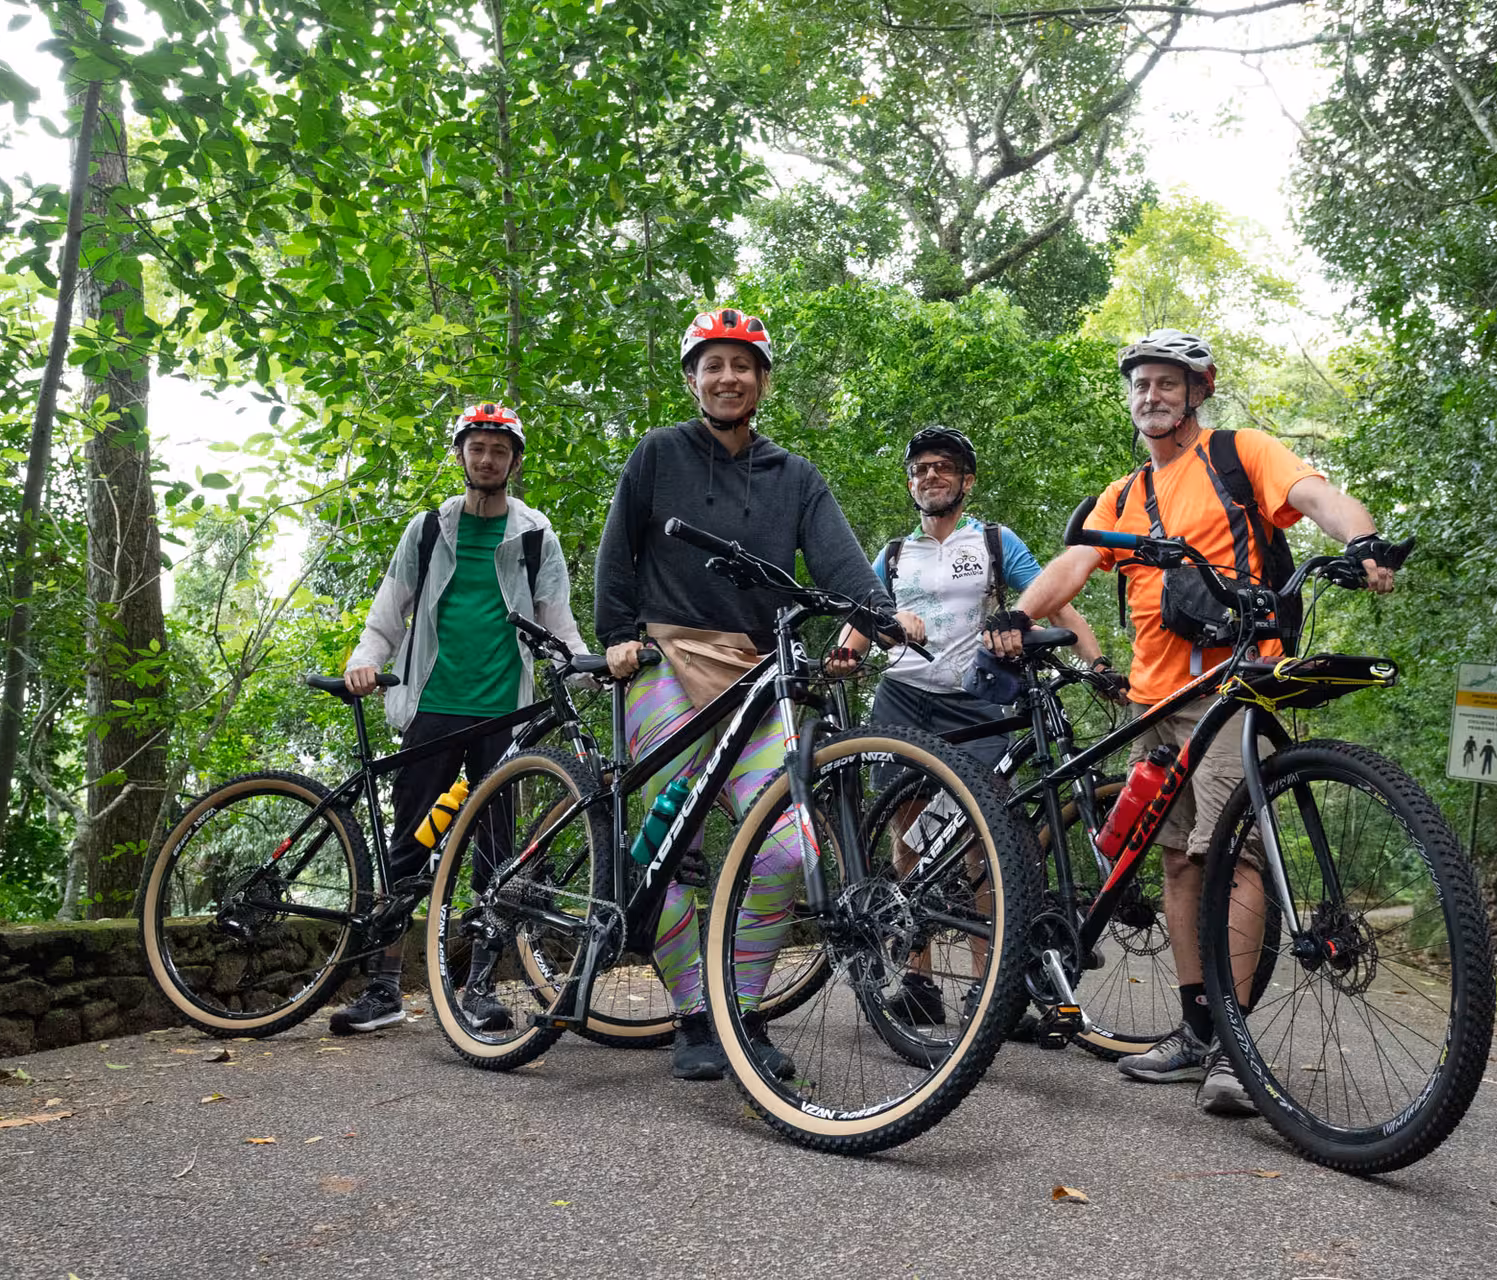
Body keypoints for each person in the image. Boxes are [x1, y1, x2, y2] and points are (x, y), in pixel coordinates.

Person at [985, 329, 1397, 1115]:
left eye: (1167, 382)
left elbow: (1316, 497)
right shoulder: (1124, 494)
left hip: (1236, 685)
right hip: (1157, 703)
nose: (1151, 395)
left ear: (1198, 390)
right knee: (1178, 862)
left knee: (1234, 858)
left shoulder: (1240, 454)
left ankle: (1236, 1052)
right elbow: (1074, 564)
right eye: (1140, 384)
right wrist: (1015, 616)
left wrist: (1364, 538)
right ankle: (1197, 1031)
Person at [594, 306, 914, 1080]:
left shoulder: (794, 474)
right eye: (713, 365)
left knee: (784, 849)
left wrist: (880, 612)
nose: (727, 377)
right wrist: (616, 634)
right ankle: (693, 1017)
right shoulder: (658, 453)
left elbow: (840, 562)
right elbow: (618, 549)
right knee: (674, 848)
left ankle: (734, 1009)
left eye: (742, 365)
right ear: (692, 378)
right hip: (665, 661)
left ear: (763, 380)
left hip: (754, 672)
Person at [835, 425, 1108, 1030]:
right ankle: (919, 979)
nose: (930, 476)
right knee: (907, 836)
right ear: (911, 483)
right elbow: (864, 618)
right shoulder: (894, 554)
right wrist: (840, 657)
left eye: (943, 467)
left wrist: (1099, 662)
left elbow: (1054, 597)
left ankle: (991, 986)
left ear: (965, 480)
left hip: (976, 704)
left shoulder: (991, 541)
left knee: (988, 836)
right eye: (921, 469)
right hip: (902, 697)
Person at [335, 400, 591, 1035]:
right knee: (408, 848)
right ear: (461, 455)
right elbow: (389, 609)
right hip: (433, 707)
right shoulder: (430, 529)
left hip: (505, 716)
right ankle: (383, 988)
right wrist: (366, 659)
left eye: (499, 450)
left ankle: (477, 988)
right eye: (477, 447)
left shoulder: (534, 536)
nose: (486, 458)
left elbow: (557, 620)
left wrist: (589, 664)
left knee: (498, 856)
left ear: (514, 461)